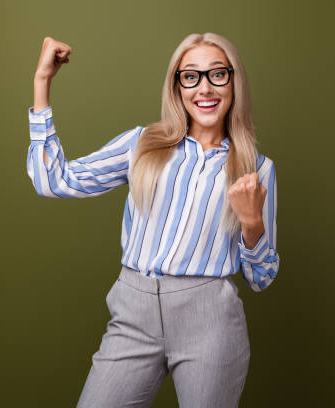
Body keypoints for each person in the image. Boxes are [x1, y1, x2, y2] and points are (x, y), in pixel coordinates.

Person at [26, 33, 280, 408]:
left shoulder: (257, 170)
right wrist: (41, 83)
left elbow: (262, 278)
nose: (204, 88)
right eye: (190, 76)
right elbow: (54, 181)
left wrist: (252, 225)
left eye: (217, 75)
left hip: (209, 322)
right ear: (177, 87)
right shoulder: (142, 144)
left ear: (234, 83)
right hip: (133, 313)